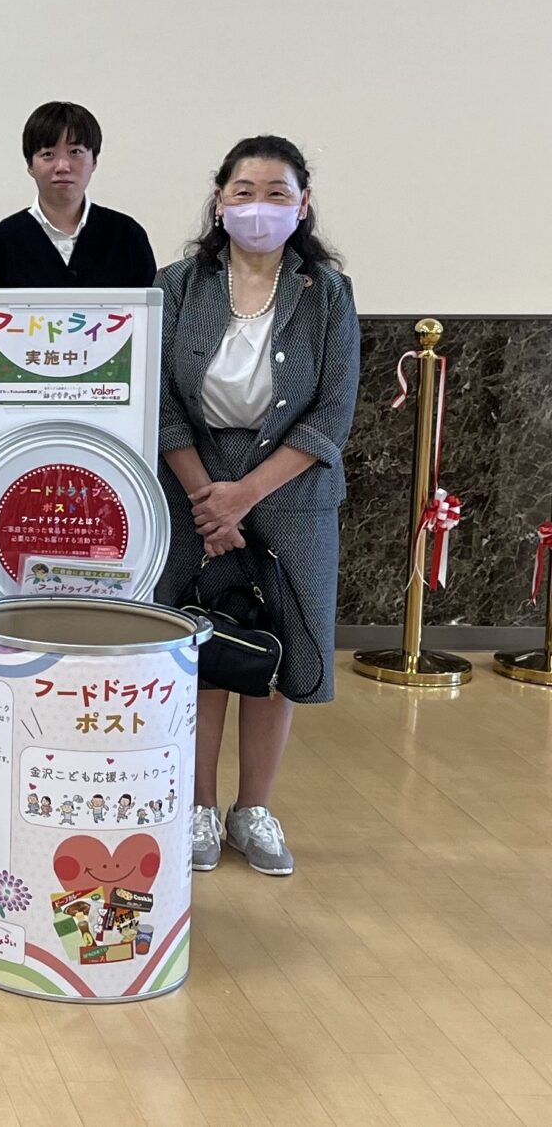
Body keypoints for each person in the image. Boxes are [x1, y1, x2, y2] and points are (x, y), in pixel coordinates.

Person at [154, 135, 358, 878]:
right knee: (203, 645)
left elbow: (332, 410)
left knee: (282, 650)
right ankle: (199, 806)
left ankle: (254, 809)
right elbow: (160, 400)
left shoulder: (326, 292)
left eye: (278, 193)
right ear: (219, 201)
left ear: (303, 205)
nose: (259, 207)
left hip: (292, 493)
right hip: (192, 490)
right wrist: (209, 498)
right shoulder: (178, 285)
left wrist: (244, 494)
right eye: (244, 192)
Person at [0, 101, 155, 289]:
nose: (62, 167)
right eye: (48, 154)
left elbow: (151, 305)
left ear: (94, 161)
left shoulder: (128, 237)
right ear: (30, 165)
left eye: (75, 152)